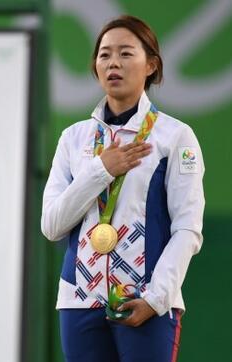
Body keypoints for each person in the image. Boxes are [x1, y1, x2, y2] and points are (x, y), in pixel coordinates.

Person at [41, 15, 204, 362]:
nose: (113, 62)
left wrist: (156, 299)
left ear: (151, 65)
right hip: (79, 302)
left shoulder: (174, 136)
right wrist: (101, 170)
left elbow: (188, 227)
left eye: (126, 53)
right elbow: (52, 225)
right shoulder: (74, 138)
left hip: (146, 301)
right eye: (104, 55)